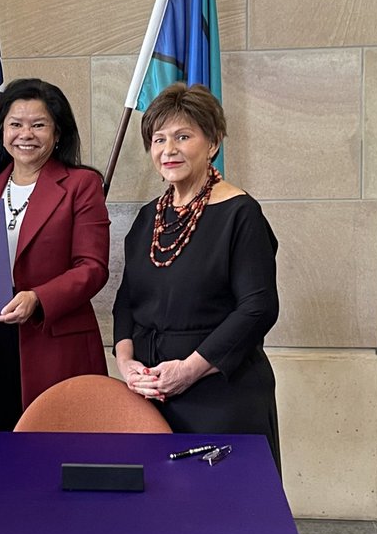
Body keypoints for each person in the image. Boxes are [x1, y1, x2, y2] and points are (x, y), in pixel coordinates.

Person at [112, 82, 281, 469]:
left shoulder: (241, 214)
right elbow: (127, 299)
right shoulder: (148, 217)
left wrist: (189, 370)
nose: (168, 150)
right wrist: (126, 364)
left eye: (183, 136)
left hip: (222, 395)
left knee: (225, 518)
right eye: (158, 139)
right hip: (151, 396)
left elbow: (258, 307)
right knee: (161, 519)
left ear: (213, 143)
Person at [0, 78, 110, 430]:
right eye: (15, 124)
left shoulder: (82, 184)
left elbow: (92, 267)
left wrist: (38, 298)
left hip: (55, 341)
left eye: (38, 125)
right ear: (1, 131)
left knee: (61, 448)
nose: (25, 134)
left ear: (58, 132)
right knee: (5, 454)